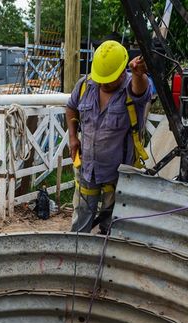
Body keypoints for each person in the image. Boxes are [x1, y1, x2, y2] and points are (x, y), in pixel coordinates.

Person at [66, 40, 151, 233]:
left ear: (123, 71)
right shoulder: (85, 86)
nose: (103, 83)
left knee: (112, 225)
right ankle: (78, 257)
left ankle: (105, 257)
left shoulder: (132, 87)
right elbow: (71, 107)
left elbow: (141, 91)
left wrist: (140, 74)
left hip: (117, 175)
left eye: (109, 79)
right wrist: (73, 136)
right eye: (101, 78)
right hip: (87, 168)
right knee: (80, 220)